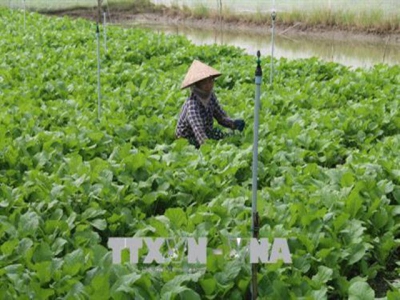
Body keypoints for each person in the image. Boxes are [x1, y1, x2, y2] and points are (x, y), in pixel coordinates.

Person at [175, 60, 245, 148]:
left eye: (210, 81)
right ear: (197, 85)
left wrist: (233, 124)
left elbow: (220, 116)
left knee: (222, 136)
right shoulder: (192, 104)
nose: (209, 85)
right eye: (204, 83)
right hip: (187, 137)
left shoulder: (211, 96)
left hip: (206, 130)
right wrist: (208, 149)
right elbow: (198, 129)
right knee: (196, 145)